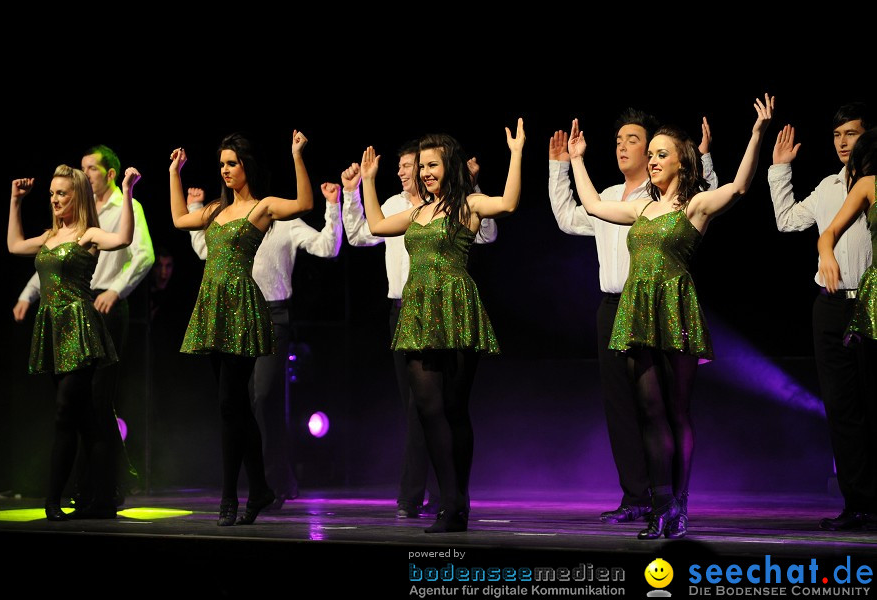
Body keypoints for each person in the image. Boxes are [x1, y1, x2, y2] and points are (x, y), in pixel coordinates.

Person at [567, 95, 774, 539]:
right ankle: (660, 503)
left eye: (662, 154)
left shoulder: (693, 207)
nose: (654, 160)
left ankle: (677, 507)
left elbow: (737, 187)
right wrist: (577, 161)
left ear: (683, 161)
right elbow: (593, 206)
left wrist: (756, 135)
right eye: (652, 153)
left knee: (676, 412)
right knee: (648, 410)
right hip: (638, 313)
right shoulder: (642, 208)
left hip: (675, 308)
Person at [549, 110, 719, 526]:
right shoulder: (611, 195)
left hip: (659, 306)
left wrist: (704, 156)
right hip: (615, 308)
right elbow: (572, 216)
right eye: (619, 139)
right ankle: (636, 496)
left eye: (632, 139)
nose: (622, 145)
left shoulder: (665, 197)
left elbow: (707, 198)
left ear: (652, 150)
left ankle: (670, 498)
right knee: (622, 407)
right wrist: (564, 165)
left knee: (663, 407)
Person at [359, 119, 525, 533]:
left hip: (455, 307)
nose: (426, 173)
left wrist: (517, 153)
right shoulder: (415, 212)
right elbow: (377, 225)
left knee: (454, 410)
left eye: (432, 165)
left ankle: (458, 501)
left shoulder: (467, 204)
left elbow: (507, 203)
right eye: (422, 167)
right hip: (417, 312)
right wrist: (367, 181)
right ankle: (449, 500)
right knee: (428, 410)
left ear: (448, 166)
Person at [168, 131, 313, 526]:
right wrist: (174, 173)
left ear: (246, 165)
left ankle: (231, 495)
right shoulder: (215, 209)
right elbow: (180, 218)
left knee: (233, 403)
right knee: (232, 406)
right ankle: (260, 487)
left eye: (232, 163)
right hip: (212, 308)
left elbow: (304, 202)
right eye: (221, 165)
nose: (226, 170)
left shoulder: (261, 207)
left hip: (243, 310)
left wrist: (297, 155)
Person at [13, 144, 155, 507]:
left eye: (91, 168)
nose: (56, 198)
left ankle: (96, 489)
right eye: (52, 193)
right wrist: (27, 296)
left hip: (91, 315)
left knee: (87, 405)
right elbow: (41, 263)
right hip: (56, 323)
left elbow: (136, 251)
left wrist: (115, 291)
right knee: (81, 412)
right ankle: (91, 489)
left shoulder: (104, 220)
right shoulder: (52, 234)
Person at [185, 177, 342, 504]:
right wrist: (196, 208)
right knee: (239, 399)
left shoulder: (284, 220)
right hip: (233, 312)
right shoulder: (228, 216)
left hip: (273, 314)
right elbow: (204, 250)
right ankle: (258, 484)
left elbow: (328, 247)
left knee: (264, 395)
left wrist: (333, 205)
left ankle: (275, 480)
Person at [768, 103, 875, 531]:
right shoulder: (828, 186)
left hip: (871, 304)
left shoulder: (872, 183)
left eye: (851, 133)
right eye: (837, 135)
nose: (844, 142)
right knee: (843, 408)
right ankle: (859, 504)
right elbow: (787, 221)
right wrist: (779, 171)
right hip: (831, 305)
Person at [815, 126, 877, 530]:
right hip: (865, 299)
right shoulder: (869, 183)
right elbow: (827, 234)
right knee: (846, 407)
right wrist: (827, 256)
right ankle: (859, 502)